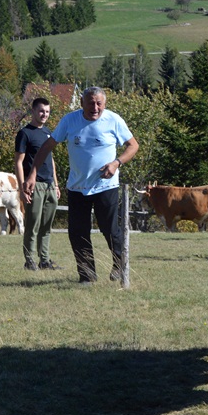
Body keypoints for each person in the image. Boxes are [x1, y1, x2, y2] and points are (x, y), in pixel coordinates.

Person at [23, 87, 139, 285]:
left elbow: (133, 145)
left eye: (99, 103)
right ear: (82, 103)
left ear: (105, 104)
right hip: (77, 187)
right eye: (91, 103)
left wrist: (116, 163)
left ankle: (119, 265)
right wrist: (32, 174)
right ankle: (87, 276)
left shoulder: (113, 120)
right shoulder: (70, 121)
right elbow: (47, 147)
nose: (95, 107)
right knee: (78, 233)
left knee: (110, 230)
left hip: (106, 186)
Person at [14, 97, 61, 271]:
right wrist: (22, 188)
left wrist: (56, 184)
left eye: (47, 112)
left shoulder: (48, 133)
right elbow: (18, 162)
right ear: (33, 111)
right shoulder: (25, 133)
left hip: (49, 185)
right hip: (34, 186)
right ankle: (29, 260)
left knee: (46, 226)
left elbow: (51, 160)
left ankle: (45, 260)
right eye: (41, 111)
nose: (44, 114)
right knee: (32, 225)